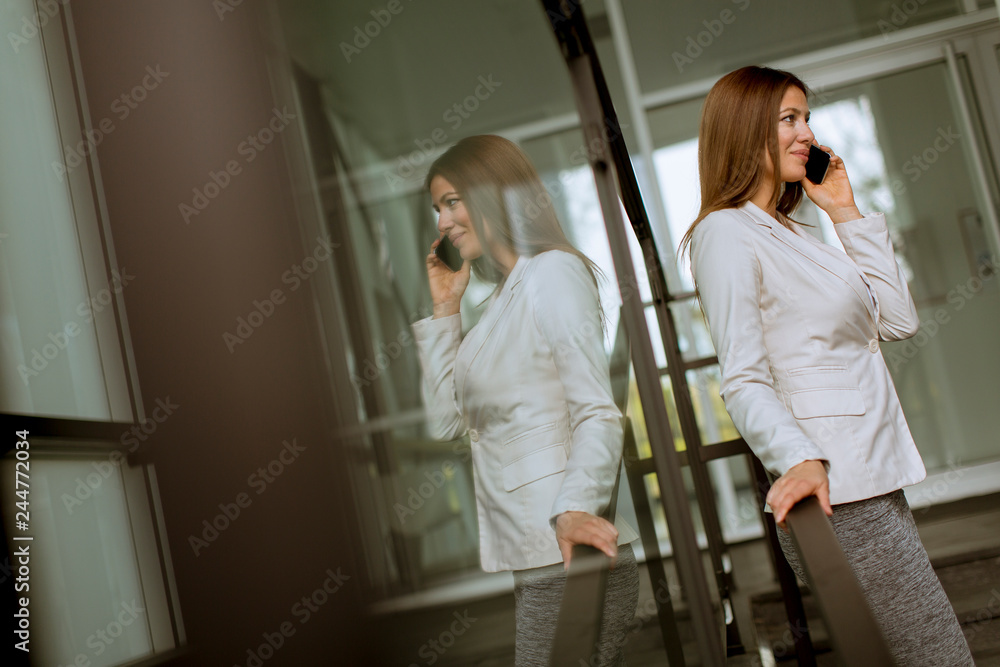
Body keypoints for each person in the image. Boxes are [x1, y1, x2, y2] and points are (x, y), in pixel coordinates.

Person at [682, 65, 974, 665]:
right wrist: (798, 459)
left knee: (926, 651)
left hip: (869, 478)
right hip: (832, 485)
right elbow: (741, 376)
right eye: (788, 118)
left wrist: (845, 211)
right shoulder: (726, 233)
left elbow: (895, 321)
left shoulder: (790, 227)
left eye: (806, 118)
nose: (807, 133)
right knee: (935, 655)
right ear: (743, 131)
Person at [412, 134, 639, 665]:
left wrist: (573, 511)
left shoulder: (551, 274)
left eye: (452, 202)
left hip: (568, 547)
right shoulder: (495, 301)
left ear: (490, 194)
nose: (442, 223)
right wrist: (445, 309)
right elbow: (446, 421)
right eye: (436, 210)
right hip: (538, 557)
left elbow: (597, 412)